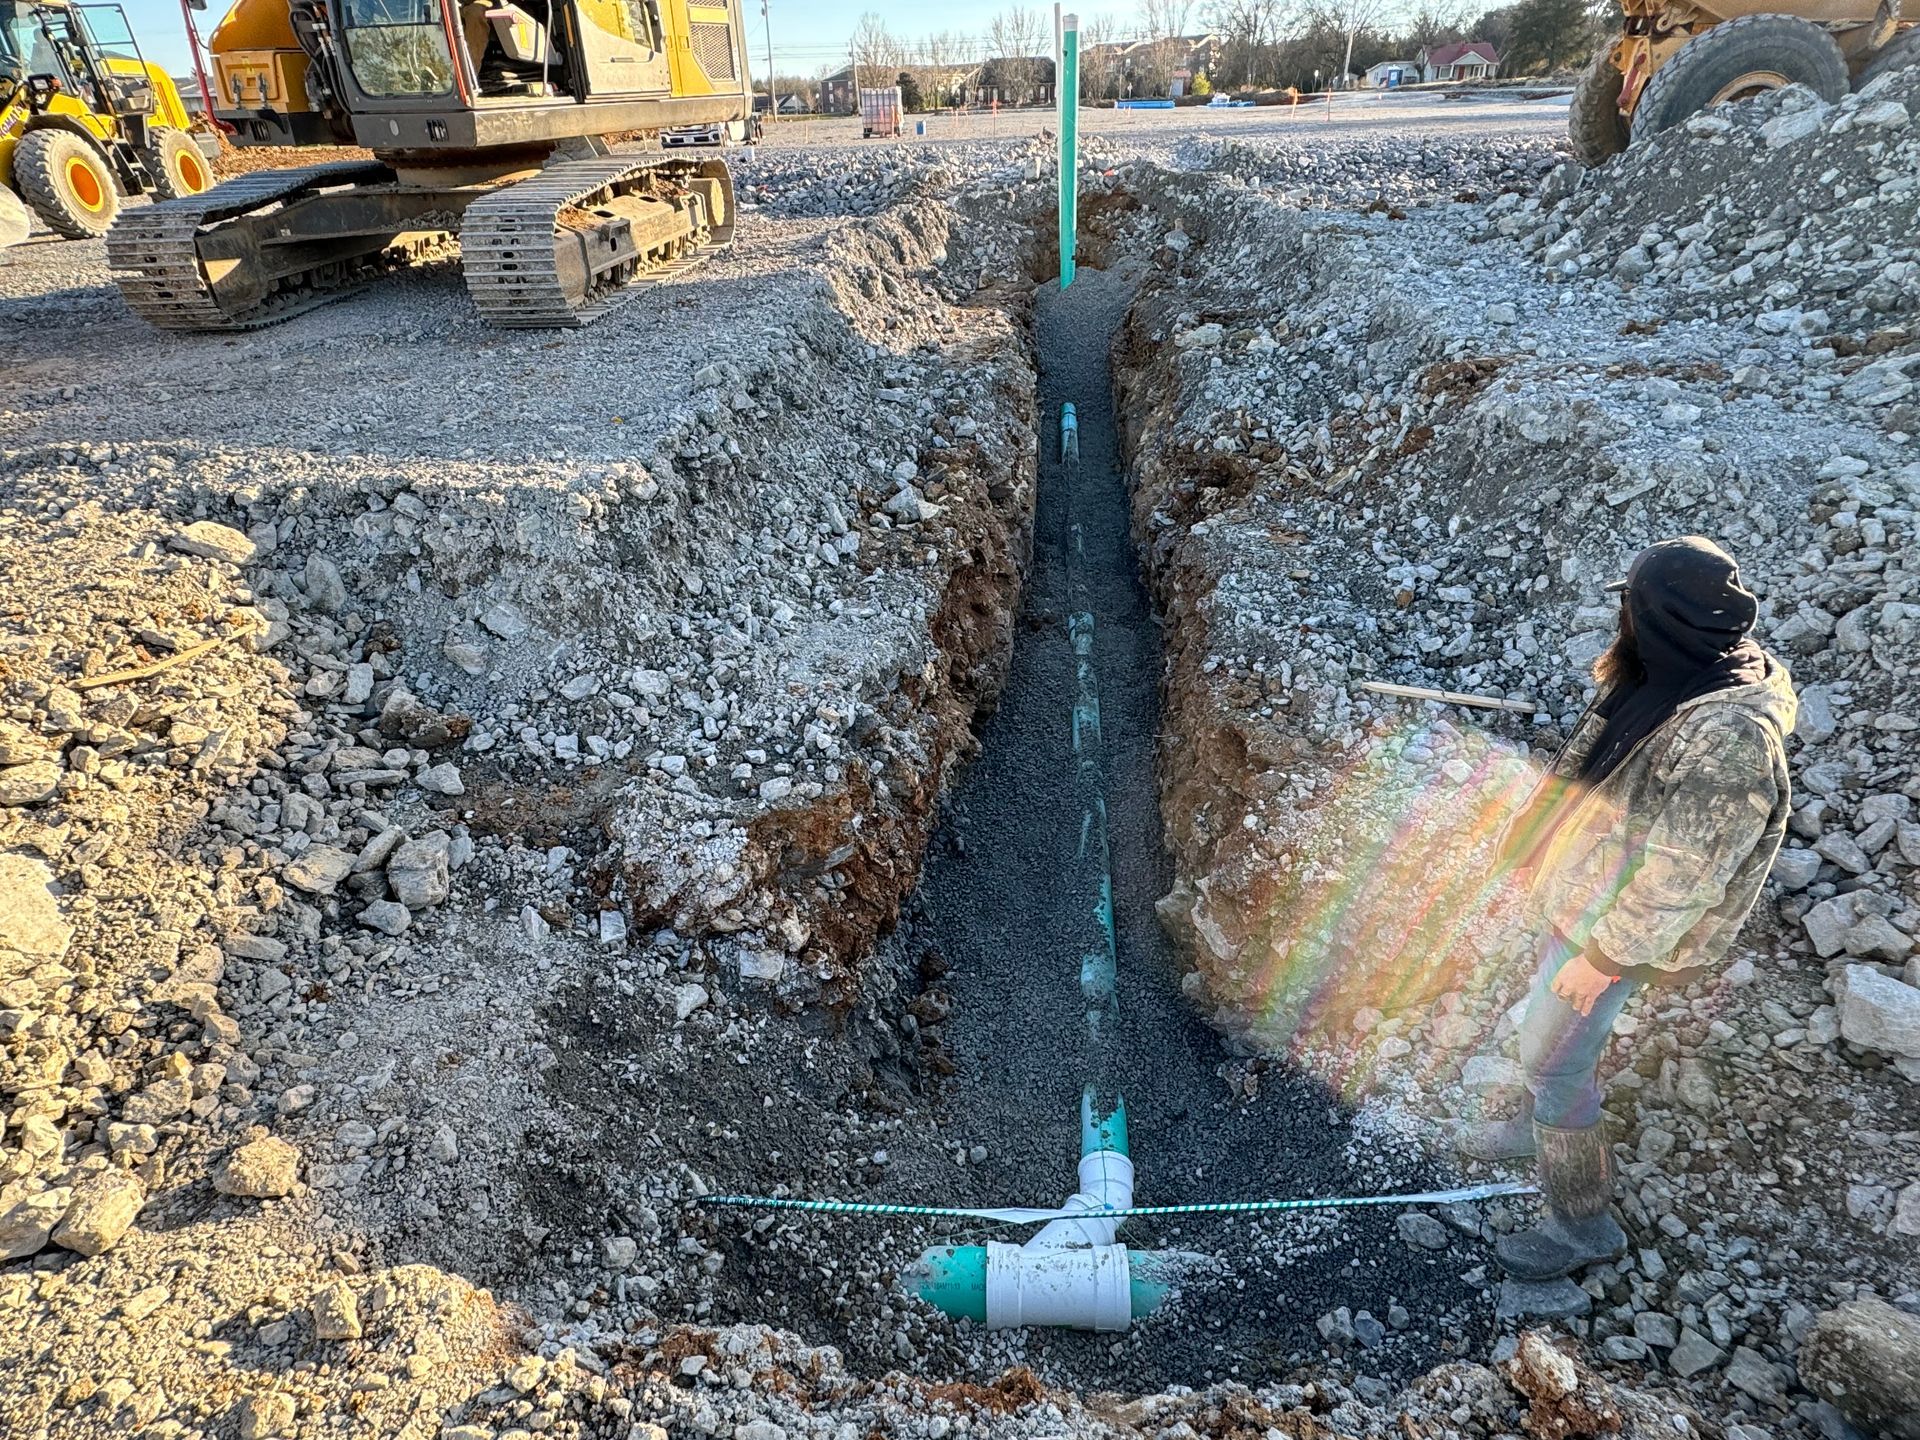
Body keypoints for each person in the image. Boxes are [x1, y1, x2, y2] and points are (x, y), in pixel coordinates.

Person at [1459, 536, 1797, 1280]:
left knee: (1556, 1058)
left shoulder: (1727, 741)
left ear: (1667, 620)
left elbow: (1684, 877)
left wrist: (1602, 959)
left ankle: (1582, 1225)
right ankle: (1535, 1126)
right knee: (1546, 1039)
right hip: (1588, 900)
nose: (1624, 621)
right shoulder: (1684, 668)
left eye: (1634, 607)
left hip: (1617, 932)